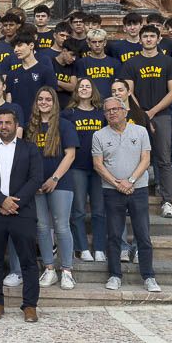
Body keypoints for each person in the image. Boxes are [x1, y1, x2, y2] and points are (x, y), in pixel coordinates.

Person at [0, 108, 43, 322]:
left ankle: (30, 305)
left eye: (8, 123)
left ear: (16, 125)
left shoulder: (30, 149)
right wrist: (1, 200)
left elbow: (35, 178)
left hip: (21, 211)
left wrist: (13, 203)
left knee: (29, 260)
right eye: (0, 123)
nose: (3, 126)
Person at [93, 97, 160, 292]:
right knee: (114, 235)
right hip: (111, 191)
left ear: (125, 111)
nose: (112, 113)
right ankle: (114, 275)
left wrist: (130, 181)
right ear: (104, 114)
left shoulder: (140, 131)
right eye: (108, 110)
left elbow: (146, 159)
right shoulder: (99, 135)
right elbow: (98, 164)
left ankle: (148, 276)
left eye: (116, 109)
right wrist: (117, 184)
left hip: (137, 189)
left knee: (143, 234)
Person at [120, 24, 172, 219]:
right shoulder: (131, 63)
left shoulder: (168, 62)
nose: (148, 39)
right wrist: (142, 114)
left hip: (161, 115)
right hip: (137, 116)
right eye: (145, 36)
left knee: (163, 159)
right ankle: (131, 199)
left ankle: (167, 201)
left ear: (158, 39)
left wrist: (153, 111)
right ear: (140, 39)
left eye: (152, 36)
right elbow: (129, 91)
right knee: (134, 159)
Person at [27, 86, 79, 290]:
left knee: (61, 226)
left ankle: (66, 270)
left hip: (61, 182)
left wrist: (55, 178)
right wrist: (34, 181)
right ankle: (49, 269)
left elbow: (70, 154)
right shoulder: (30, 126)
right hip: (36, 185)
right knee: (41, 227)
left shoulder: (64, 125)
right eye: (40, 99)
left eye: (48, 99)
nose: (44, 102)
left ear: (54, 102)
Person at [67, 78, 107, 263]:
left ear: (93, 91)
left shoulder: (101, 113)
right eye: (81, 86)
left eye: (87, 86)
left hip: (99, 168)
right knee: (78, 210)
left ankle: (99, 248)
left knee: (99, 210)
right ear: (76, 90)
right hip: (77, 167)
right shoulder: (69, 114)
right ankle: (82, 247)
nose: (84, 89)